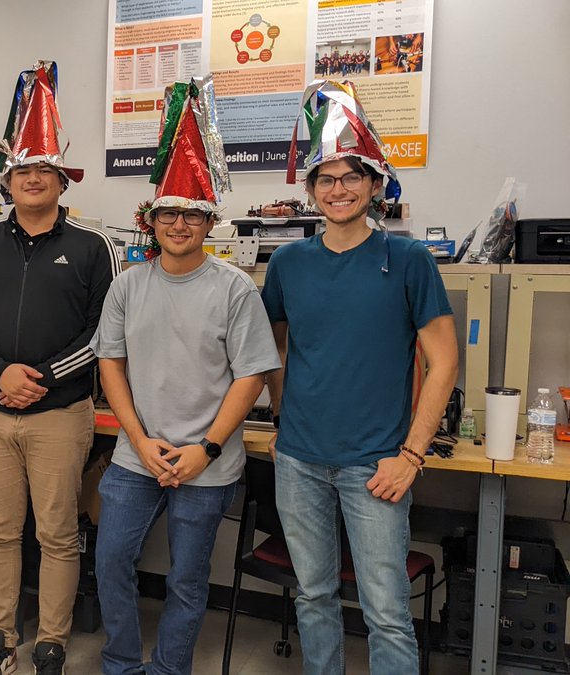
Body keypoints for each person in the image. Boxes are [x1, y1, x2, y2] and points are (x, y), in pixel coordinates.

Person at [90, 75, 281, 675]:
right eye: (168, 214)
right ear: (151, 220)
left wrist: (207, 447)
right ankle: (123, 663)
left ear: (208, 222)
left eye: (191, 215)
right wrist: (141, 441)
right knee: (110, 562)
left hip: (208, 461)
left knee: (188, 578)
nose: (179, 224)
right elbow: (110, 364)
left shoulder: (233, 289)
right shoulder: (127, 285)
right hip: (134, 456)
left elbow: (250, 376)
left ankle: (169, 669)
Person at [266, 80, 458, 674]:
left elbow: (444, 361)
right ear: (311, 191)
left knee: (386, 613)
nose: (339, 189)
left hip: (377, 465)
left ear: (375, 184)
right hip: (299, 462)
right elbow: (271, 346)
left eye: (352, 176)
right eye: (326, 178)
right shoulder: (288, 262)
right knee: (315, 597)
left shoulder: (408, 261)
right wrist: (280, 419)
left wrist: (412, 454)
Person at [0, 60, 121, 675]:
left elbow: (104, 331)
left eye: (43, 170)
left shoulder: (92, 246)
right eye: (22, 170)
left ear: (61, 180)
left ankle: (50, 642)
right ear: (8, 179)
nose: (32, 179)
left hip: (60, 412)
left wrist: (39, 378)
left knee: (56, 534)